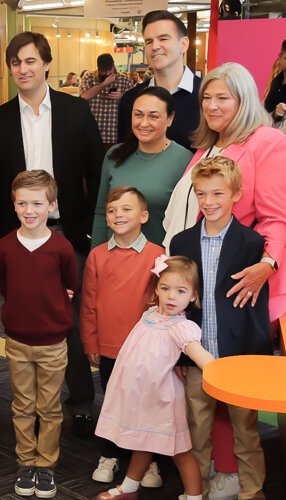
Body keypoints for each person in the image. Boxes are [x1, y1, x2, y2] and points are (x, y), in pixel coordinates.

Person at [163, 61, 286, 499]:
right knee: (198, 418)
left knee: (242, 421)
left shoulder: (266, 142)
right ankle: (203, 484)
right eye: (207, 98)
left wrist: (268, 263)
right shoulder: (209, 147)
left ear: (245, 101)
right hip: (194, 302)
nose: (212, 106)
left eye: (223, 98)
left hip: (238, 293)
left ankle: (247, 488)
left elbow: (276, 217)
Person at [0, 31, 103, 437]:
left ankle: (81, 400)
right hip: (16, 239)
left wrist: (83, 232)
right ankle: (28, 406)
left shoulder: (74, 111)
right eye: (16, 62)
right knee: (22, 319)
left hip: (65, 234)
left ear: (46, 63)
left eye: (30, 61)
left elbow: (95, 172)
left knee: (68, 318)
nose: (23, 69)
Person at [170, 157, 270, 500]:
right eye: (201, 194)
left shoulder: (252, 244)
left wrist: (257, 357)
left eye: (218, 194)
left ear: (236, 194)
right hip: (198, 357)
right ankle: (196, 490)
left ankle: (251, 491)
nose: (209, 202)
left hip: (239, 357)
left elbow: (257, 309)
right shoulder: (181, 244)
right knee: (197, 431)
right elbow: (176, 308)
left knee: (246, 431)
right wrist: (180, 359)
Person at [95, 255, 214, 500]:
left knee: (179, 451)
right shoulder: (149, 315)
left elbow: (199, 354)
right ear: (157, 288)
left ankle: (194, 496)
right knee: (143, 443)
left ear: (192, 296)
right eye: (166, 288)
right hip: (143, 397)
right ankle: (129, 489)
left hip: (163, 400)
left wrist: (221, 372)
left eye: (181, 291)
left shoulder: (181, 327)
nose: (172, 296)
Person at [0, 170, 76, 499]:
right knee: (23, 405)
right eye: (22, 203)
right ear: (13, 205)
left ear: (51, 205)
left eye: (37, 203)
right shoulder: (4, 247)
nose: (30, 210)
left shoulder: (62, 247)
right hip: (15, 341)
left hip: (53, 342)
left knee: (50, 408)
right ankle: (26, 461)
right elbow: (5, 287)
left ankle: (46, 464)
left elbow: (70, 284)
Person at [81, 186, 166, 488]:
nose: (119, 215)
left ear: (144, 215)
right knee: (113, 403)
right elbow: (89, 303)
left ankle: (150, 460)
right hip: (109, 347)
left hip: (147, 351)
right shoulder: (97, 256)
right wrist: (90, 342)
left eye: (127, 209)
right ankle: (110, 454)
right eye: (113, 210)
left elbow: (164, 305)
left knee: (147, 404)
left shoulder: (159, 255)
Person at [92, 86, 192, 248]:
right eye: (138, 115)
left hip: (160, 263)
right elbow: (101, 212)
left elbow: (186, 221)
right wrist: (96, 256)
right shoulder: (115, 155)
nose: (144, 123)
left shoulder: (185, 160)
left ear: (170, 119)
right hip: (114, 259)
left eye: (153, 116)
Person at [118, 10, 202, 150]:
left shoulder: (206, 96)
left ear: (184, 44)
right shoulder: (131, 99)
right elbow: (123, 156)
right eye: (149, 41)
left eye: (163, 39)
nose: (155, 47)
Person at [80, 53, 134, 148]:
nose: (108, 73)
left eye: (110, 69)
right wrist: (104, 84)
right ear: (98, 68)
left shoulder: (124, 79)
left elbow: (134, 102)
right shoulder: (89, 77)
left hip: (115, 134)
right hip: (93, 133)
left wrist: (122, 96)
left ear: (114, 65)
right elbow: (84, 96)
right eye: (104, 71)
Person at [264, 39, 286, 125]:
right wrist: (276, 113)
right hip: (273, 133)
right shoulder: (276, 81)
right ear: (280, 57)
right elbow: (266, 113)